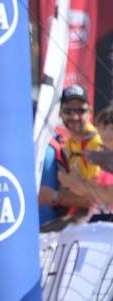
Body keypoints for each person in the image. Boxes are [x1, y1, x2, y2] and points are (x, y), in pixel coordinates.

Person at [39, 85, 98, 228]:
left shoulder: (96, 144)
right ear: (60, 114)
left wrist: (54, 196)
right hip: (79, 218)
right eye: (68, 111)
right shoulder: (71, 142)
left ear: (89, 112)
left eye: (80, 110)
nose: (75, 116)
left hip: (100, 222)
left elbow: (96, 199)